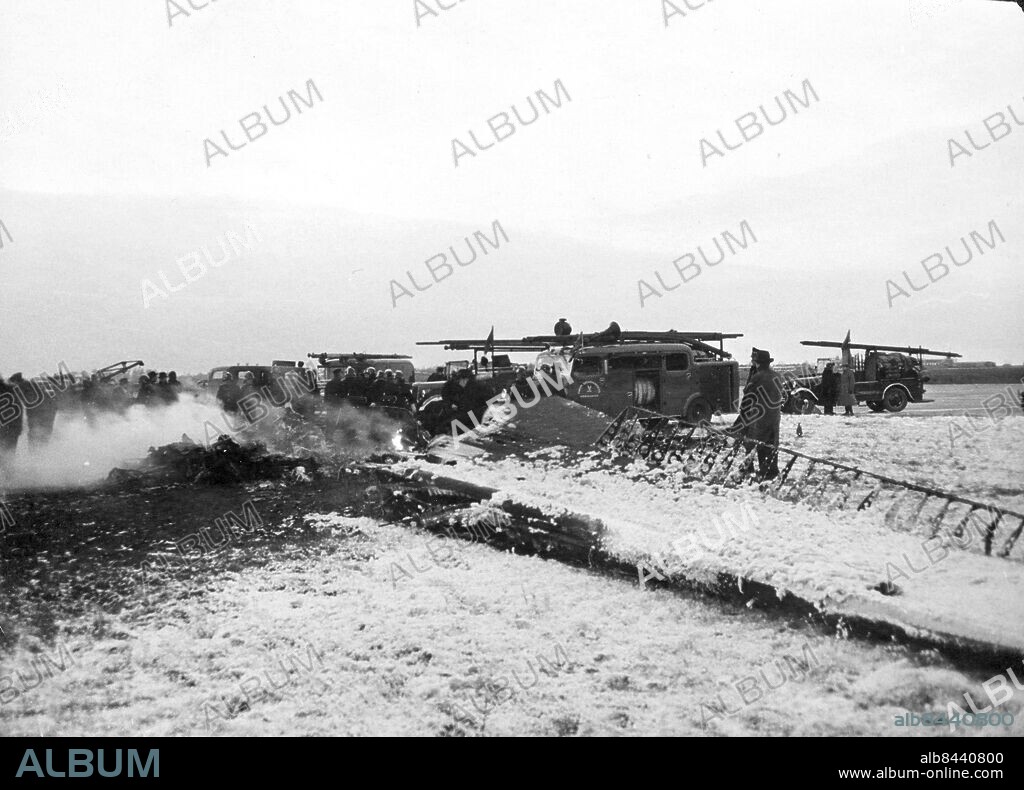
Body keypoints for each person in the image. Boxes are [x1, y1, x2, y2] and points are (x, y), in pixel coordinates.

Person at [731, 348, 784, 480]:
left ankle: (748, 470)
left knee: (751, 443)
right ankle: (770, 472)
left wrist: (742, 417)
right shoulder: (777, 375)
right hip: (774, 418)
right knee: (770, 445)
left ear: (757, 363)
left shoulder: (757, 377)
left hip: (759, 418)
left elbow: (747, 396)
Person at [0, 373, 25, 458]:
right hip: (13, 428)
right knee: (9, 455)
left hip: (8, 429)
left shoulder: (7, 392)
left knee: (6, 455)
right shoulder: (11, 389)